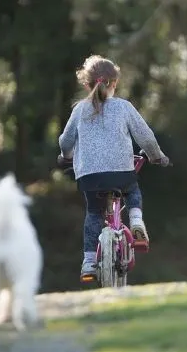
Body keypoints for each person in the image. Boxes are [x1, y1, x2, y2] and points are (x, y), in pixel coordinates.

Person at [57, 54, 170, 282]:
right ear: (115, 83)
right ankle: (136, 221)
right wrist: (157, 156)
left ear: (87, 84)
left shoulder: (80, 110)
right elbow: (146, 137)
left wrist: (65, 156)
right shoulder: (123, 107)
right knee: (133, 191)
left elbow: (66, 141)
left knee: (94, 213)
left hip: (89, 177)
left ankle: (89, 262)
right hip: (121, 173)